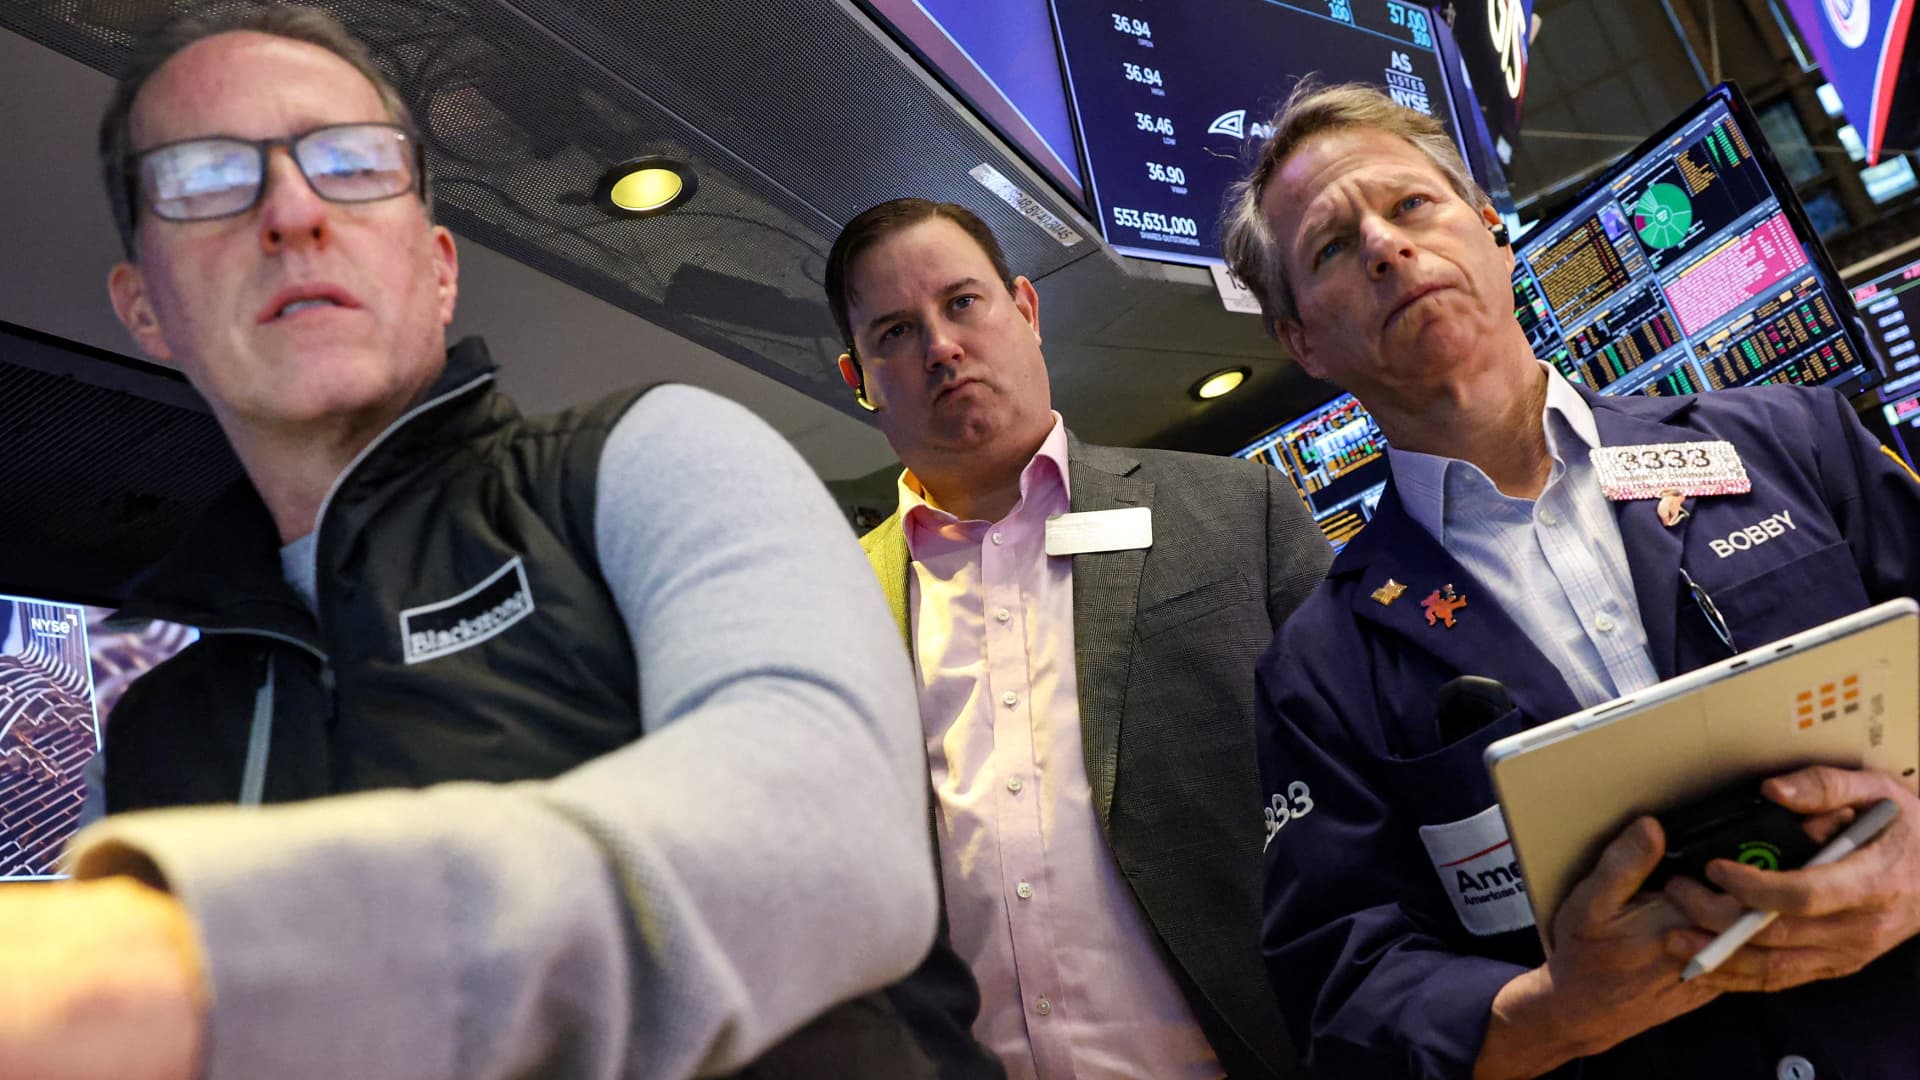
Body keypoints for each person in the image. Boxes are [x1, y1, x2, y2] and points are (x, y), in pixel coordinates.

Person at [0, 9, 947, 1079]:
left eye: (351, 164)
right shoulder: (147, 739)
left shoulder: (645, 463)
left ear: (439, 266)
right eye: (207, 178)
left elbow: (830, 840)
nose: (292, 212)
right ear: (146, 310)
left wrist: (195, 965)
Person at [1221, 81, 1920, 1079]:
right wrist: (1552, 1012)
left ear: (1492, 231)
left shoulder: (1792, 445)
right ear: (1304, 343)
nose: (1385, 246)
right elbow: (1346, 992)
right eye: (1332, 248)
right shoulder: (1320, 671)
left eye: (1412, 204)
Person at [823, 198, 1333, 1080]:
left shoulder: (1233, 512)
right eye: (895, 333)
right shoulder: (824, 605)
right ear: (857, 378)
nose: (940, 347)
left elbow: (1372, 781)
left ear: (1025, 308)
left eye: (962, 303)